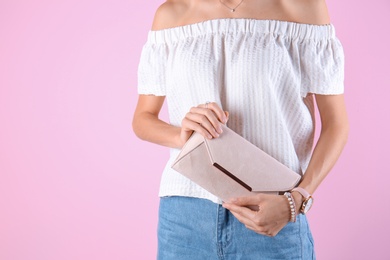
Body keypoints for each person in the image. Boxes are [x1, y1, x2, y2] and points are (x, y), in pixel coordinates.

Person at [132, 0, 349, 259]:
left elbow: (337, 124)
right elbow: (143, 119)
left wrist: (297, 199)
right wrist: (180, 135)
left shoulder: (302, 8)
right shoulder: (172, 14)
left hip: (271, 210)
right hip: (184, 216)